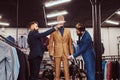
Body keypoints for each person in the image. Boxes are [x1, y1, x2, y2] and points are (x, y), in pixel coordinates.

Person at [48, 15, 74, 80]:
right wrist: (50, 53)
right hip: (57, 52)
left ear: (64, 21)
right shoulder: (53, 31)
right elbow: (50, 43)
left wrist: (72, 53)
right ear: (57, 21)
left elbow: (70, 43)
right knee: (57, 72)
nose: (61, 22)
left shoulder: (68, 31)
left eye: (62, 20)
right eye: (59, 20)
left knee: (67, 71)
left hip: (66, 53)